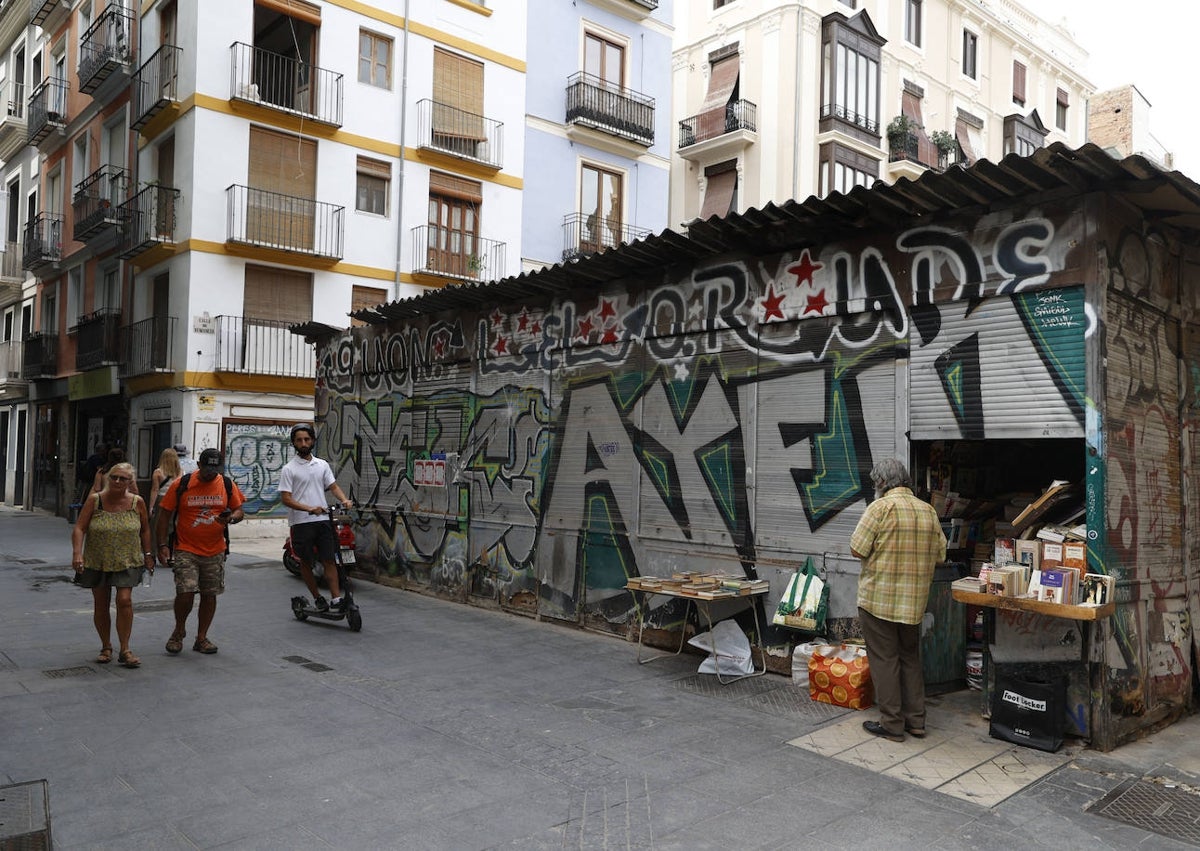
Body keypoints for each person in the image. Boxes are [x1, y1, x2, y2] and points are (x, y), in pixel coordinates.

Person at [849, 458, 947, 743]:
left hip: (878, 600)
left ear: (881, 483)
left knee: (884, 660)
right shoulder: (927, 510)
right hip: (913, 602)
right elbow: (941, 554)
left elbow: (857, 548)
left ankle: (892, 724)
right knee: (910, 659)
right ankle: (916, 722)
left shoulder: (879, 508)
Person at [155, 447, 245, 655]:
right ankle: (178, 631)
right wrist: (162, 546)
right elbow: (164, 516)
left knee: (209, 594)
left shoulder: (226, 484)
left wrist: (231, 518)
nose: (211, 473)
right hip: (185, 548)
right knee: (185, 593)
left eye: (215, 469)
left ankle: (202, 637)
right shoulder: (182, 484)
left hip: (215, 550)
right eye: (207, 469)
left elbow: (240, 510)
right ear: (198, 466)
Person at [70, 461, 154, 669]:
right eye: (114, 477)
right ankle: (106, 646)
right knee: (101, 603)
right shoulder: (95, 500)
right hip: (97, 559)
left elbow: (145, 530)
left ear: (129, 482)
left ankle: (125, 649)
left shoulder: (137, 502)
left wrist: (149, 553)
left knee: (124, 600)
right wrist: (77, 553)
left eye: (122, 478)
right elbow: (79, 528)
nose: (117, 481)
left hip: (128, 559)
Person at [279, 423, 352, 612]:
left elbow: (333, 486)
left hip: (323, 521)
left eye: (307, 439)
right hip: (301, 522)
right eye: (299, 440)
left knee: (329, 559)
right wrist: (309, 508)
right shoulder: (289, 469)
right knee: (306, 562)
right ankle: (318, 597)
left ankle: (336, 598)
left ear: (312, 441)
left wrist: (344, 500)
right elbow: (286, 498)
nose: (303, 443)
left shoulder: (322, 465)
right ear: (294, 443)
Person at [149, 447, 183, 552]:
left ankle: (154, 551)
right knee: (172, 526)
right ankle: (170, 551)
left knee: (156, 526)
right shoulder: (180, 472)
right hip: (176, 500)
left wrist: (151, 507)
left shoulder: (158, 472)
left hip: (162, 499)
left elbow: (155, 490)